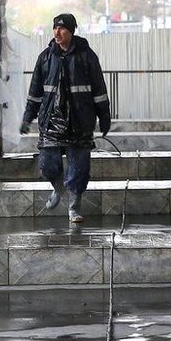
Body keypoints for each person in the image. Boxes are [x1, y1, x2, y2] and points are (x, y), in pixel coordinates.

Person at [20, 13, 111, 223]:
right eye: (55, 28)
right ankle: (58, 188)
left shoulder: (87, 56)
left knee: (79, 168)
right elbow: (35, 92)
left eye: (62, 29)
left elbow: (99, 90)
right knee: (47, 165)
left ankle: (74, 206)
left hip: (80, 120)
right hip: (51, 121)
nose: (57, 32)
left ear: (71, 31)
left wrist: (104, 117)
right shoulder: (45, 57)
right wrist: (28, 117)